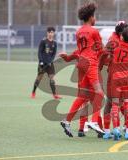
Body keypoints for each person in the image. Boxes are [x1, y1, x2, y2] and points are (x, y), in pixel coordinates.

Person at [60, 2, 105, 137]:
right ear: (91, 17)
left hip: (81, 63)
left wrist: (68, 58)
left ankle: (67, 121)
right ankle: (94, 122)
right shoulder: (94, 31)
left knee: (82, 96)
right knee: (100, 93)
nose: (95, 18)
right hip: (90, 64)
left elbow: (80, 50)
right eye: (94, 16)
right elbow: (101, 50)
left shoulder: (79, 31)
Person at [31, 27, 61, 99]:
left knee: (52, 78)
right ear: (47, 33)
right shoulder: (43, 41)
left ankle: (55, 95)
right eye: (50, 32)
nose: (51, 34)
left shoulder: (55, 43)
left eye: (52, 32)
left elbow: (54, 54)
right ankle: (33, 92)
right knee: (39, 78)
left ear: (54, 33)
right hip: (42, 63)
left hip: (50, 64)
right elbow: (39, 52)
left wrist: (50, 61)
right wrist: (41, 61)